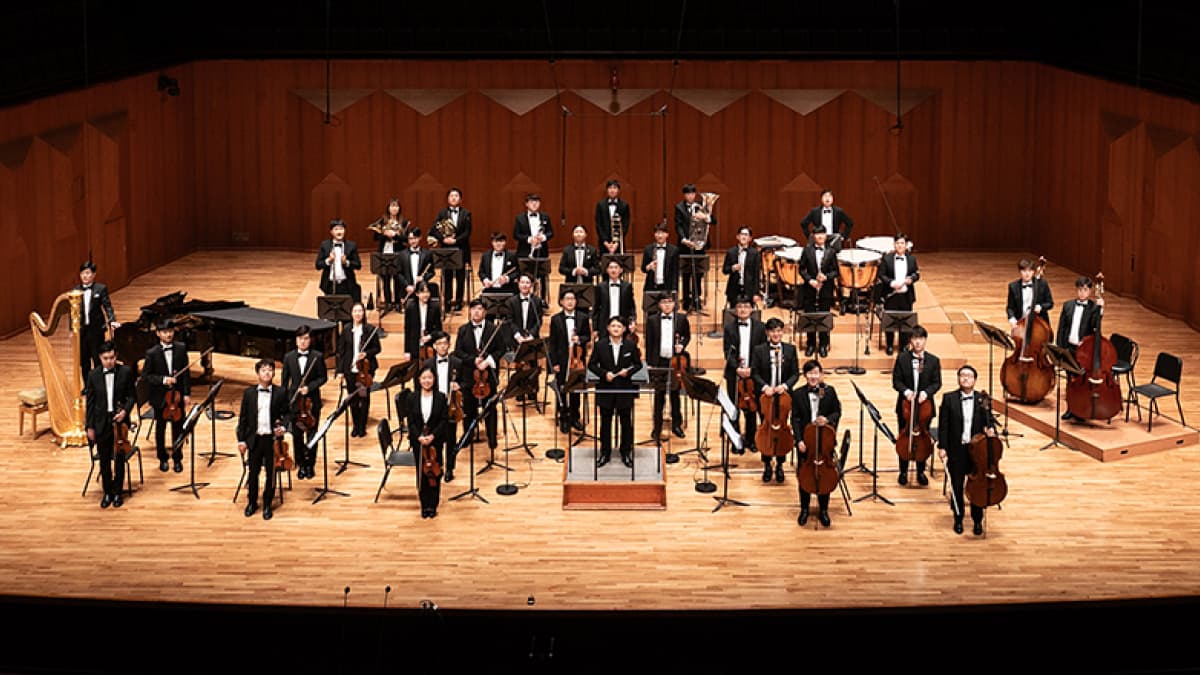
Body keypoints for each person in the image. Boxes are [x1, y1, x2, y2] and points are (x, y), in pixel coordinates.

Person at [937, 365, 997, 536]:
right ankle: (958, 518)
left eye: (969, 376)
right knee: (956, 486)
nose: (965, 379)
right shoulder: (949, 398)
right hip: (956, 450)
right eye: (962, 375)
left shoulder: (982, 400)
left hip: (976, 452)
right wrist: (942, 447)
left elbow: (989, 421)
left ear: (975, 380)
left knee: (976, 486)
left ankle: (977, 520)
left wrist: (991, 429)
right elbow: (944, 425)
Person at [236, 359, 290, 520]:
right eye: (264, 370)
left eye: (270, 370)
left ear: (274, 373)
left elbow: (288, 413)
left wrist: (284, 427)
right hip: (255, 439)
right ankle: (252, 502)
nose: (267, 373)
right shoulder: (249, 393)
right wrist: (241, 440)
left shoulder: (281, 392)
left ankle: (267, 504)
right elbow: (243, 420)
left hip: (272, 440)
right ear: (258, 373)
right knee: (253, 473)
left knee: (271, 474)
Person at [84, 341, 135, 508]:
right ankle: (107, 492)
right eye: (106, 358)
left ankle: (118, 492)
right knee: (104, 460)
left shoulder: (126, 372)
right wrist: (89, 426)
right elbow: (90, 403)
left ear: (116, 356)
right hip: (101, 423)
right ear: (100, 358)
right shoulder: (93, 375)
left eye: (112, 358)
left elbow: (132, 397)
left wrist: (125, 412)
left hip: (120, 424)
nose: (109, 361)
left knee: (120, 459)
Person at [791, 360, 841, 527]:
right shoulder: (797, 394)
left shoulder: (829, 392)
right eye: (810, 373)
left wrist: (827, 419)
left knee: (824, 474)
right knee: (804, 474)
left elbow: (837, 411)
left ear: (821, 374)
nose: (813, 376)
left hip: (824, 441)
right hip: (806, 442)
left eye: (816, 373)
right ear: (805, 375)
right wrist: (799, 440)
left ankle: (824, 510)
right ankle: (804, 509)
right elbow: (795, 419)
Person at [587, 316, 642, 468]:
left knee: (626, 422)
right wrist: (604, 374)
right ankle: (605, 453)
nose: (616, 328)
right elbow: (591, 365)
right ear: (608, 329)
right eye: (613, 326)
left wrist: (628, 372)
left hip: (625, 388)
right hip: (606, 388)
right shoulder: (600, 345)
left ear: (624, 329)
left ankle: (626, 452)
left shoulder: (631, 345)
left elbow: (638, 365)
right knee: (605, 422)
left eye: (619, 326)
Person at [892, 325, 942, 486]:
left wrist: (925, 393)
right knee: (904, 438)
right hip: (905, 406)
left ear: (925, 340)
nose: (918, 342)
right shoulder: (902, 358)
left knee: (923, 439)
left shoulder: (934, 361)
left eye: (921, 338)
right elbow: (896, 381)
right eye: (915, 338)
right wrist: (906, 392)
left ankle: (921, 471)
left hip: (925, 407)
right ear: (911, 341)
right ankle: (903, 471)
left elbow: (937, 383)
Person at [751, 317, 800, 483]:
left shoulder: (791, 350)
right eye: (773, 331)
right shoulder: (759, 350)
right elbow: (754, 373)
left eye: (779, 330)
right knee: (766, 429)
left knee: (782, 430)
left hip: (784, 397)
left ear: (782, 332)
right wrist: (766, 387)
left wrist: (785, 386)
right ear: (767, 333)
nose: (776, 334)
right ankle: (766, 464)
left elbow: (795, 374)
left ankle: (780, 464)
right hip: (766, 397)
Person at [455, 299, 505, 452]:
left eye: (480, 309)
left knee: (489, 407)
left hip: (488, 376)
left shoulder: (493, 329)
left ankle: (492, 437)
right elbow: (458, 352)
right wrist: (473, 361)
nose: (476, 312)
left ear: (484, 312)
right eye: (474, 309)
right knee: (468, 408)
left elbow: (501, 349)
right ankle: (467, 436)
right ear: (469, 311)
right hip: (469, 376)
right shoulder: (463, 330)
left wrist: (488, 361)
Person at [401, 366, 449, 518]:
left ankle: (433, 504)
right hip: (419, 442)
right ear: (419, 380)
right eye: (424, 378)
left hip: (436, 442)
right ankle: (424, 504)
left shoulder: (441, 397)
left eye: (429, 378)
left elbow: (444, 420)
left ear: (434, 379)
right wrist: (419, 437)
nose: (427, 381)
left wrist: (433, 436)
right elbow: (411, 421)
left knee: (435, 472)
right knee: (421, 473)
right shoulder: (412, 397)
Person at [143, 319, 190, 473]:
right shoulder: (152, 353)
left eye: (170, 331)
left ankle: (177, 457)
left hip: (177, 397)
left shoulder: (181, 349)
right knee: (160, 429)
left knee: (178, 428)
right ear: (158, 334)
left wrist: (186, 394)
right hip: (160, 397)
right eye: (164, 332)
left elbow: (186, 374)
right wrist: (163, 380)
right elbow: (146, 377)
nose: (168, 334)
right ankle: (162, 458)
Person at [281, 325, 327, 480]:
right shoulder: (288, 357)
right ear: (296, 340)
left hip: (311, 402)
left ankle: (310, 465)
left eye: (306, 338)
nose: (303, 342)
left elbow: (323, 377)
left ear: (310, 340)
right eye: (300, 339)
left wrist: (309, 387)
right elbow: (284, 382)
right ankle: (301, 464)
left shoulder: (317, 356)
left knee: (312, 435)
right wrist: (285, 401)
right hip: (295, 403)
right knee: (297, 436)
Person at [1056, 276, 1105, 421]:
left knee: (1082, 381)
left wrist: (1101, 309)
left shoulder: (1093, 308)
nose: (1082, 293)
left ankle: (1082, 409)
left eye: (1085, 290)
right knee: (1070, 381)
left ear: (1089, 291)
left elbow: (1096, 326)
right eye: (1079, 289)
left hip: (1083, 352)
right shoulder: (1067, 305)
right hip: (1069, 348)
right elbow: (1061, 328)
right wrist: (1060, 349)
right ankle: (1071, 408)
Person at [723, 296, 766, 454]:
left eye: (746, 306)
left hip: (753, 373)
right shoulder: (729, 328)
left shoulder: (761, 328)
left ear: (751, 309)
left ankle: (751, 439)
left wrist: (752, 370)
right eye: (739, 306)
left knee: (751, 407)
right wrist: (737, 368)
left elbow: (762, 352)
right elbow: (727, 351)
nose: (742, 309)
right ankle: (736, 441)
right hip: (734, 374)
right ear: (735, 309)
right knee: (734, 408)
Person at [643, 293, 689, 440]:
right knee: (659, 395)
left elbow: (687, 335)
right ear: (659, 305)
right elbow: (649, 342)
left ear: (674, 304)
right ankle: (657, 427)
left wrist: (682, 345)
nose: (667, 305)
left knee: (675, 394)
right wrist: (650, 363)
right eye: (664, 302)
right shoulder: (651, 320)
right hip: (659, 361)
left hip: (675, 361)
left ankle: (676, 425)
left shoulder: (681, 319)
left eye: (670, 302)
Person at [548, 289, 592, 434]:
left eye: (572, 299)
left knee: (575, 389)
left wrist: (579, 339)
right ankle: (564, 417)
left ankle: (575, 417)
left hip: (577, 359)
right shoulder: (555, 319)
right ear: (561, 302)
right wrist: (554, 363)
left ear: (576, 301)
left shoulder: (583, 317)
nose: (570, 301)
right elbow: (552, 343)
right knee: (561, 389)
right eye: (567, 299)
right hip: (561, 359)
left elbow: (588, 337)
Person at [421, 331, 463, 482]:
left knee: (451, 439)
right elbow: (421, 383)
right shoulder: (428, 364)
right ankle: (438, 465)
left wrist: (459, 385)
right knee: (436, 439)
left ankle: (450, 469)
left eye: (445, 343)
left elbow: (466, 382)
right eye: (439, 344)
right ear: (434, 346)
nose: (442, 346)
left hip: (452, 407)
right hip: (434, 407)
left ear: (449, 345)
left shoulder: (457, 363)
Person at [336, 303, 381, 437]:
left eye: (360, 311)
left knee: (364, 397)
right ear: (351, 313)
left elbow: (377, 349)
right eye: (355, 311)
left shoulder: (370, 330)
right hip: (350, 369)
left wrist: (366, 354)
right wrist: (340, 371)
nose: (357, 314)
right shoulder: (346, 330)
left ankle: (362, 425)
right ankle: (355, 424)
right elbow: (341, 352)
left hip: (365, 369)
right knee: (353, 398)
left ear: (363, 313)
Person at [74, 260, 120, 382]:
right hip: (82, 331)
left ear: (94, 275)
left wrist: (112, 320)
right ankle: (87, 385)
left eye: (88, 273)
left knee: (97, 357)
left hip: (96, 330)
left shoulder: (100, 289)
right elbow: (72, 313)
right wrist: (72, 330)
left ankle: (99, 383)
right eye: (83, 273)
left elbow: (107, 306)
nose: (85, 276)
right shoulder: (76, 290)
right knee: (84, 361)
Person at [877, 233, 920, 356]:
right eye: (897, 243)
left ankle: (903, 345)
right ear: (894, 244)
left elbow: (917, 274)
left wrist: (911, 279)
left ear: (906, 245)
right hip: (891, 294)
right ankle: (889, 345)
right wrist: (892, 283)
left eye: (902, 243)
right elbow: (882, 275)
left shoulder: (912, 259)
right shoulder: (887, 259)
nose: (900, 245)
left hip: (906, 296)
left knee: (906, 321)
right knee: (890, 320)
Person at [799, 226, 838, 357]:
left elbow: (836, 271)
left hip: (825, 289)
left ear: (826, 236)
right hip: (810, 289)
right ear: (813, 236)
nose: (820, 236)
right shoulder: (807, 250)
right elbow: (802, 269)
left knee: (824, 317)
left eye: (822, 234)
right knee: (810, 317)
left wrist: (826, 277)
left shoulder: (831, 252)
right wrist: (810, 280)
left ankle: (823, 344)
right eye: (817, 234)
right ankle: (810, 344)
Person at [675, 184, 715, 311]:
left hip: (699, 245)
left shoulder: (700, 206)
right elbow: (678, 225)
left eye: (692, 194)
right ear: (684, 195)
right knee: (686, 273)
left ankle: (697, 299)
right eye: (688, 194)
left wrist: (706, 217)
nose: (690, 196)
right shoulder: (679, 207)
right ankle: (686, 299)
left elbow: (714, 221)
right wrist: (684, 239)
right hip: (685, 245)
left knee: (698, 273)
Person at [434, 187, 472, 312]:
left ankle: (459, 301)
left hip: (461, 248)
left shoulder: (466, 213)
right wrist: (443, 239)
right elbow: (435, 229)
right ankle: (448, 301)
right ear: (448, 199)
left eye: (456, 196)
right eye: (451, 196)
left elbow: (467, 232)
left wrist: (455, 240)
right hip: (446, 250)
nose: (454, 198)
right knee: (448, 276)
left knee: (460, 277)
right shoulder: (442, 213)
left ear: (460, 199)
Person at [514, 193, 553, 299]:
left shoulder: (545, 217)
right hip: (525, 252)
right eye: (532, 202)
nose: (535, 204)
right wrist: (529, 239)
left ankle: (543, 300)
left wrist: (543, 237)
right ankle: (522, 297)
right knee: (523, 276)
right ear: (526, 204)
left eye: (537, 202)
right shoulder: (519, 218)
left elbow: (550, 233)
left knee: (543, 276)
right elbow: (516, 234)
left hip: (541, 251)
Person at [372, 198, 407, 310]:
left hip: (398, 253)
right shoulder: (382, 221)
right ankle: (387, 302)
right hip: (384, 252)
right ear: (388, 208)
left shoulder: (404, 221)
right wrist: (385, 234)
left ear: (399, 208)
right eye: (392, 206)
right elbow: (375, 237)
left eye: (396, 206)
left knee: (397, 278)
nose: (394, 208)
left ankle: (397, 302)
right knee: (386, 279)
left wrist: (395, 236)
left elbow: (406, 239)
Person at [316, 218, 362, 303]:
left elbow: (358, 265)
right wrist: (328, 261)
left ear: (345, 230)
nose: (339, 232)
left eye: (341, 229)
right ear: (331, 232)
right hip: (329, 284)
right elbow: (318, 265)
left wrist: (346, 262)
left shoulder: (351, 245)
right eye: (336, 229)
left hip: (346, 284)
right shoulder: (324, 245)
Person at [1005, 258, 1054, 336]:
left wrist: (1040, 307)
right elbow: (1010, 307)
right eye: (1024, 271)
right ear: (1019, 272)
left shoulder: (1042, 284)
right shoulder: (1013, 287)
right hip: (1021, 323)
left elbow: (1050, 303)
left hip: (1039, 326)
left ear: (1033, 272)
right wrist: (1012, 320)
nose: (1027, 274)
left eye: (1030, 271)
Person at [592, 258, 637, 337]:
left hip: (622, 324)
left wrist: (632, 321)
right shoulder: (600, 287)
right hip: (605, 324)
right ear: (607, 270)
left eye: (616, 267)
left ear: (621, 270)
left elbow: (631, 307)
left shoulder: (627, 286)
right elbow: (596, 308)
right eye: (611, 267)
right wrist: (595, 328)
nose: (613, 270)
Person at [722, 225, 762, 309]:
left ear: (750, 238)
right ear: (737, 236)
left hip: (749, 289)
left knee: (748, 312)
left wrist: (756, 293)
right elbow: (725, 270)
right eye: (742, 234)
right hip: (734, 289)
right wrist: (732, 268)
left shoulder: (755, 254)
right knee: (733, 312)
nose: (743, 236)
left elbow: (756, 275)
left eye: (746, 234)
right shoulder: (731, 252)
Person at [404, 282, 443, 363]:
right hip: (415, 343)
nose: (426, 295)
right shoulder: (410, 307)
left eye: (427, 292)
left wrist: (430, 336)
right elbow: (407, 330)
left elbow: (439, 329)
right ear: (417, 294)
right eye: (423, 292)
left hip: (430, 344)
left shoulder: (435, 306)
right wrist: (407, 351)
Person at [397, 228, 436, 306]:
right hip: (407, 290)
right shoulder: (401, 254)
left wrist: (423, 278)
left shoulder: (427, 254)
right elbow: (399, 273)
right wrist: (407, 286)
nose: (413, 241)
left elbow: (432, 272)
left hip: (422, 292)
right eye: (410, 239)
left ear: (420, 238)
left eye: (415, 238)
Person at [641, 223, 680, 295]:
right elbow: (643, 269)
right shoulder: (648, 249)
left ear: (667, 234)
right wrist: (649, 267)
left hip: (667, 287)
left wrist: (675, 290)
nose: (660, 235)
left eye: (662, 233)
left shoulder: (674, 250)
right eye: (657, 233)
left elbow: (675, 272)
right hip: (651, 286)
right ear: (654, 234)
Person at [596, 179, 631, 255]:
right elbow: (598, 225)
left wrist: (616, 243)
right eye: (610, 188)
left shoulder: (624, 205)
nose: (612, 190)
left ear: (618, 190)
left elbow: (625, 225)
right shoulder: (600, 205)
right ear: (607, 190)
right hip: (604, 243)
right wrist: (606, 242)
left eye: (614, 188)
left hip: (619, 243)